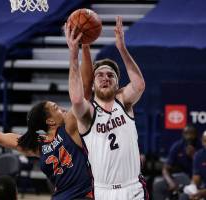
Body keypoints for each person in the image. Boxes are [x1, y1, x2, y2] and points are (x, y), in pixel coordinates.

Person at [0, 41, 94, 200]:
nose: (64, 109)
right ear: (50, 122)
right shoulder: (44, 141)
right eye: (57, 108)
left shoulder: (63, 133)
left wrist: (84, 48)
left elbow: (85, 88)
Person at [66, 16, 148, 200]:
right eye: (100, 75)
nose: (105, 78)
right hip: (104, 191)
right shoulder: (88, 113)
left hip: (133, 187)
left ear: (118, 84)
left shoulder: (124, 103)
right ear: (93, 85)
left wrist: (122, 49)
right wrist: (73, 55)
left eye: (111, 75)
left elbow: (139, 85)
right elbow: (77, 99)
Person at [153, 125, 202, 200]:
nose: (189, 136)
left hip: (196, 179)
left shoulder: (201, 147)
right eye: (186, 133)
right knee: (157, 186)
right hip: (180, 177)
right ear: (183, 134)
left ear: (196, 135)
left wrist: (194, 156)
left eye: (191, 133)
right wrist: (170, 182)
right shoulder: (178, 146)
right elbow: (165, 169)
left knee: (184, 193)